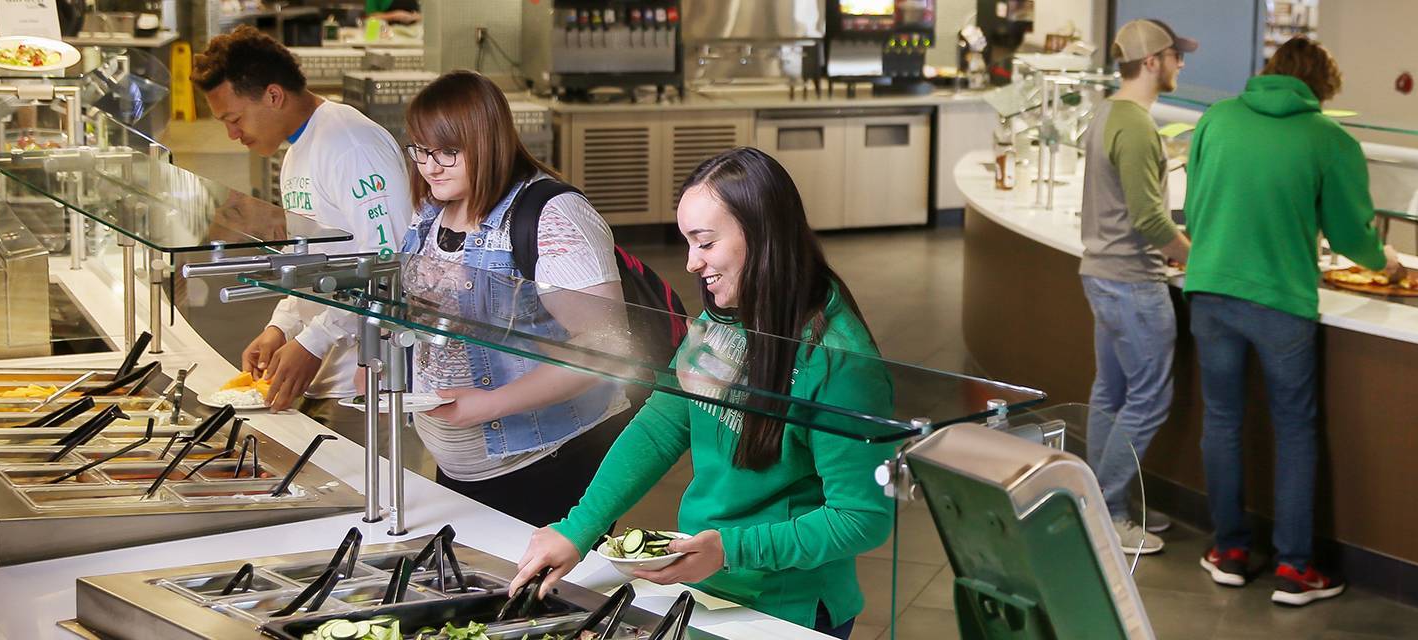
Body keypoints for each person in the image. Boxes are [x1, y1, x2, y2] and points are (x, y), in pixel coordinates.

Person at [508, 147, 894, 639]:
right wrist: (578, 529)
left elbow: (863, 518)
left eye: (705, 243)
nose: (691, 263)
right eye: (687, 243)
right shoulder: (726, 314)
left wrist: (731, 550)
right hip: (706, 584)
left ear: (763, 237)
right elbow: (662, 425)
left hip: (786, 607)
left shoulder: (840, 361)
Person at [1181, 36, 1406, 607]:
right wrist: (1388, 263)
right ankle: (1294, 568)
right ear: (1322, 88)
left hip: (1209, 287)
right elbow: (1351, 234)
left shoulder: (1218, 119)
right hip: (1281, 301)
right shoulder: (1328, 138)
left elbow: (1198, 199)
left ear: (1270, 70)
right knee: (1294, 431)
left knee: (1224, 422)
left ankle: (1229, 552)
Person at [394, 70, 633, 526]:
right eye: (421, 150)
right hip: (465, 467)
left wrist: (489, 405)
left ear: (487, 142)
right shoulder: (431, 207)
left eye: (447, 151)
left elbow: (605, 348)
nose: (430, 166)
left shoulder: (551, 216)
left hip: (549, 459)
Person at [195, 25, 413, 412]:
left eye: (234, 118)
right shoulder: (295, 151)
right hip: (319, 372)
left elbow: (388, 261)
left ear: (273, 95)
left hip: (365, 383)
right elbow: (307, 257)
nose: (231, 134)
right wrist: (282, 326)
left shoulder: (350, 146)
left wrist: (314, 341)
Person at [1078, 18, 1195, 556]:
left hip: (1100, 274)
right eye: (1175, 57)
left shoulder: (1106, 112)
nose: (1181, 66)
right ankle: (1111, 509)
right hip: (1133, 282)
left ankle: (1092, 503)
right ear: (1152, 62)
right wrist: (1197, 256)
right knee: (1147, 400)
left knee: (1111, 393)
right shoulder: (1139, 127)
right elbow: (1150, 220)